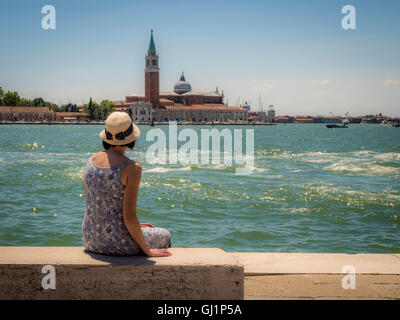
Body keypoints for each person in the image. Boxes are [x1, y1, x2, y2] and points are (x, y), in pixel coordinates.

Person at [82, 111, 172, 257]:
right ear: (131, 138)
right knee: (165, 235)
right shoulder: (132, 168)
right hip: (119, 243)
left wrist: (137, 226)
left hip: (91, 240)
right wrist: (148, 251)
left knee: (146, 229)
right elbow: (129, 216)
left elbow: (97, 205)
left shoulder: (91, 161)